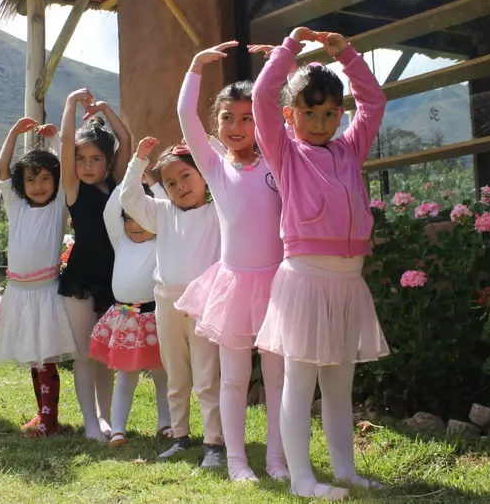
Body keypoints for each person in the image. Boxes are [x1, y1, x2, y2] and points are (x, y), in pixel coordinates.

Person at [250, 28, 390, 500]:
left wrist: (345, 55)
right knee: (299, 383)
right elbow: (261, 98)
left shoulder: (350, 150)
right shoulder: (285, 152)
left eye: (330, 112)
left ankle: (345, 471)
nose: (320, 121)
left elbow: (374, 101)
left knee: (338, 386)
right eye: (308, 112)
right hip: (306, 281)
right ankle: (302, 478)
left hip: (349, 285)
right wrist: (290, 47)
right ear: (290, 116)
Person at [174, 41, 288, 482]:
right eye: (227, 118)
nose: (237, 126)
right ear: (215, 124)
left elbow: (288, 113)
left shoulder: (279, 159)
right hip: (235, 287)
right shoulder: (216, 166)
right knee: (234, 379)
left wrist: (283, 63)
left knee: (278, 381)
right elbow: (185, 116)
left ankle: (278, 460)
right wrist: (195, 67)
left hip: (279, 286)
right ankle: (238, 461)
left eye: (248, 118)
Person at [120, 137, 225, 469]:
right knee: (175, 375)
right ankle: (179, 436)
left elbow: (229, 175)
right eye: (170, 182)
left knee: (207, 377)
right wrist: (138, 161)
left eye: (186, 176)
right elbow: (129, 197)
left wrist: (209, 145)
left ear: (203, 175)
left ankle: (214, 442)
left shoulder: (218, 210)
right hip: (166, 305)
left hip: (204, 307)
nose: (180, 186)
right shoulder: (161, 213)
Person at [0, 117, 79, 438]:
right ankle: (41, 415)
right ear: (22, 185)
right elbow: (2, 168)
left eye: (46, 178)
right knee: (33, 357)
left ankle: (50, 420)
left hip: (46, 293)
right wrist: (14, 132)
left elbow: (67, 169)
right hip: (18, 293)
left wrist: (56, 139)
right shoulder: (16, 206)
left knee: (46, 361)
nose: (40, 185)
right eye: (32, 179)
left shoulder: (58, 205)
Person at [58, 88, 132, 441]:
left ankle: (105, 418)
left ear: (108, 161)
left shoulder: (115, 184)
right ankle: (90, 423)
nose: (87, 165)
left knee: (106, 353)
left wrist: (105, 108)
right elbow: (66, 142)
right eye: (80, 158)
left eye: (95, 159)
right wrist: (71, 104)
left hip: (112, 278)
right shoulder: (73, 188)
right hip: (80, 279)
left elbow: (126, 139)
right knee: (86, 353)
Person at [89, 177, 171, 448]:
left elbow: (166, 208)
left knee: (163, 376)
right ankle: (118, 430)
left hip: (154, 319)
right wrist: (129, 179)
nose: (135, 226)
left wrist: (155, 185)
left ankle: (166, 425)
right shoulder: (121, 241)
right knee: (126, 375)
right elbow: (109, 211)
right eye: (130, 218)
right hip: (124, 320)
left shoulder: (163, 240)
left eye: (143, 218)